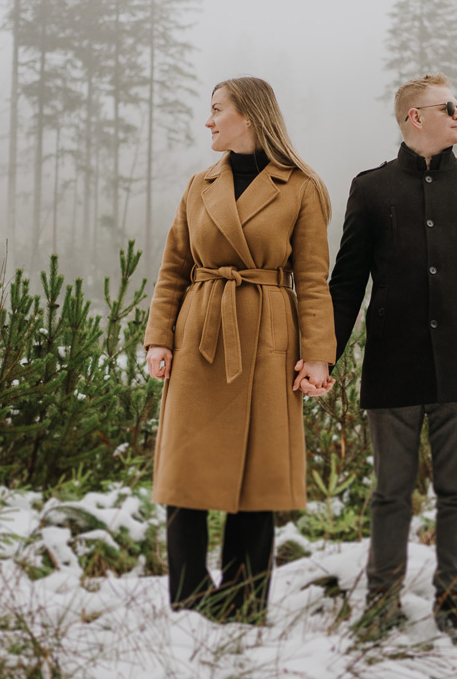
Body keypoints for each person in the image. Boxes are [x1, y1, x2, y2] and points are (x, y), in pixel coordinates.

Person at [328, 73, 457, 645]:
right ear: (415, 116)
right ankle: (380, 606)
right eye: (450, 107)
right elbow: (346, 284)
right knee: (389, 494)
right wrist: (323, 358)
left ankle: (454, 605)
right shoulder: (370, 189)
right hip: (391, 365)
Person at [144, 76, 336, 624]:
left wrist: (317, 355)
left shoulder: (301, 187)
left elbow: (313, 280)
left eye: (217, 110)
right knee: (185, 470)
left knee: (259, 476)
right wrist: (159, 337)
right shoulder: (199, 184)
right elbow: (173, 268)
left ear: (248, 115)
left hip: (266, 335)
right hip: (199, 332)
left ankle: (244, 602)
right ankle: (188, 598)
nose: (208, 121)